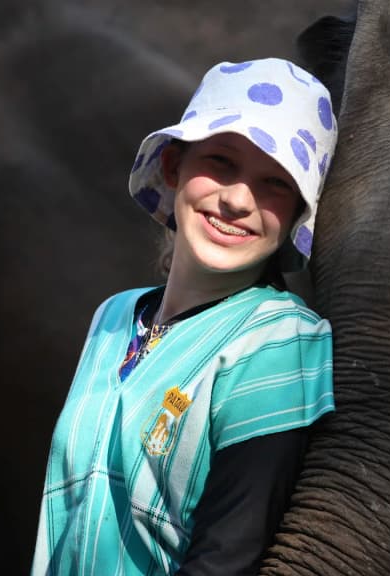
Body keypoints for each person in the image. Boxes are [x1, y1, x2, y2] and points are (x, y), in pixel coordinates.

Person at [32, 58, 338, 575]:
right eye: (221, 162)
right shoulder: (113, 317)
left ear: (295, 217)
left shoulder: (280, 341)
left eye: (275, 183)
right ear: (174, 168)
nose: (238, 199)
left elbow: (230, 557)